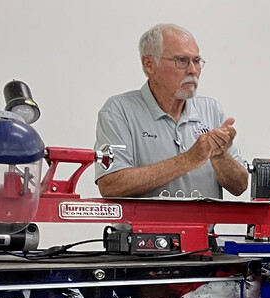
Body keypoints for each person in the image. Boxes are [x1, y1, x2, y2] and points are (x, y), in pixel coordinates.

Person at [94, 23, 247, 199]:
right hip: (140, 228)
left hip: (204, 228)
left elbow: (240, 186)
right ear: (149, 64)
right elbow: (111, 185)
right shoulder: (118, 111)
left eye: (196, 61)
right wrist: (189, 159)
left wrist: (220, 156)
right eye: (181, 60)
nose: (192, 70)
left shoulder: (211, 109)